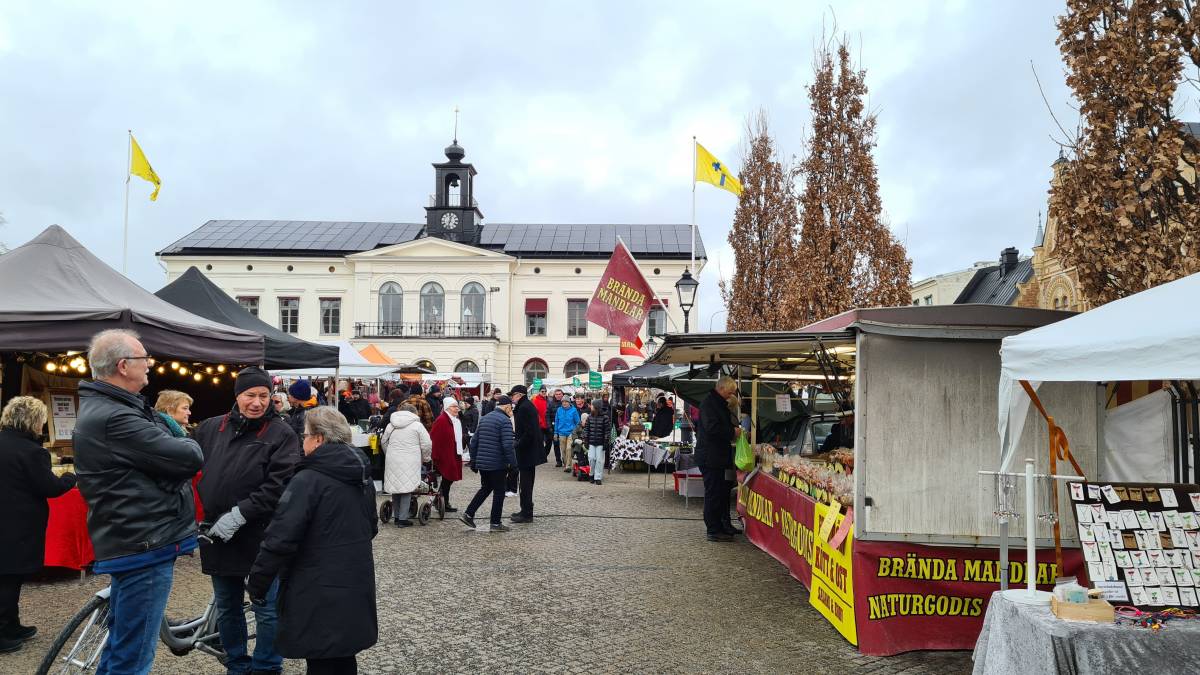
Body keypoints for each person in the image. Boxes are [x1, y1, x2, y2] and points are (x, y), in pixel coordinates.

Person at [74, 329, 204, 674]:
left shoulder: (112, 408)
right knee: (133, 655)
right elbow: (189, 457)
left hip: (135, 538)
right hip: (144, 542)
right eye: (144, 358)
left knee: (122, 645)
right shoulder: (117, 416)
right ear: (123, 365)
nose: (149, 364)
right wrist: (184, 442)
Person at [247, 407, 377, 675]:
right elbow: (371, 526)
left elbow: (280, 537)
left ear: (318, 439)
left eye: (304, 436)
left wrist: (258, 582)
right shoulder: (361, 476)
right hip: (354, 577)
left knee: (321, 656)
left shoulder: (308, 479)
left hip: (314, 582)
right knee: (342, 654)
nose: (301, 442)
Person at [193, 367, 300, 675]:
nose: (257, 402)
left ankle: (267, 666)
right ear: (237, 395)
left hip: (261, 534)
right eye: (250, 395)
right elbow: (189, 464)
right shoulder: (211, 428)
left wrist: (241, 513)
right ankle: (237, 663)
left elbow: (279, 485)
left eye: (264, 395)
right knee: (227, 606)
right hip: (218, 533)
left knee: (265, 607)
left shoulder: (281, 433)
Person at [0, 397, 76, 653]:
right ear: (33, 421)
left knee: (6, 575)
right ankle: (3, 629)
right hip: (18, 523)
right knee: (10, 577)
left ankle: (11, 624)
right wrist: (70, 477)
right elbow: (49, 487)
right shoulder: (33, 452)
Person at [695, 376, 741, 542]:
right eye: (730, 392)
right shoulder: (709, 404)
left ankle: (721, 526)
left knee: (720, 493)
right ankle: (713, 530)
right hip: (710, 457)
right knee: (713, 494)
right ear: (721, 389)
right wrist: (732, 432)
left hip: (718, 456)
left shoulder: (717, 403)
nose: (731, 395)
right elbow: (712, 428)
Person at [461, 395, 516, 532]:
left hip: (483, 462)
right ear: (507, 407)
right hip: (497, 463)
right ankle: (495, 523)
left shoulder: (485, 418)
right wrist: (513, 464)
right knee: (499, 492)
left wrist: (474, 460)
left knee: (485, 488)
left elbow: (474, 442)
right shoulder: (505, 421)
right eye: (511, 408)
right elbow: (507, 445)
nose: (511, 411)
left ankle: (468, 514)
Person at [382, 403, 431, 527]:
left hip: (393, 458)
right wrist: (426, 458)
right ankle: (403, 519)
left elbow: (383, 441)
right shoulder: (417, 425)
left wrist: (389, 453)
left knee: (396, 487)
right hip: (411, 459)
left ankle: (397, 516)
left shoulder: (390, 425)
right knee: (407, 488)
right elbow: (426, 444)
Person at [508, 385, 543, 524]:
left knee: (526, 484)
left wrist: (517, 443)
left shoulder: (524, 407)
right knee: (525, 483)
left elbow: (529, 432)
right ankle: (525, 510)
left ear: (519, 395)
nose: (512, 398)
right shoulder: (525, 406)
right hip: (528, 451)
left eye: (513, 395)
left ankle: (527, 513)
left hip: (527, 452)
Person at [430, 396, 464, 514]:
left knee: (449, 479)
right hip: (445, 454)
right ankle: (443, 502)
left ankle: (440, 501)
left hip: (453, 452)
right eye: (454, 407)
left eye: (457, 406)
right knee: (448, 478)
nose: (457, 409)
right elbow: (435, 439)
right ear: (447, 408)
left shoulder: (454, 420)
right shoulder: (441, 420)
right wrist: (435, 456)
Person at [583, 399, 609, 486]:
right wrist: (586, 440)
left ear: (596, 407)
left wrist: (606, 441)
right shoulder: (589, 417)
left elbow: (607, 431)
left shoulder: (605, 417)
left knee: (599, 460)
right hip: (591, 442)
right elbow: (586, 429)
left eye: (592, 405)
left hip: (601, 443)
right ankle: (591, 474)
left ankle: (598, 477)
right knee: (591, 458)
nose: (591, 407)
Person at [553, 396, 580, 473]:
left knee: (569, 448)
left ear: (569, 402)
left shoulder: (574, 410)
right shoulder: (559, 410)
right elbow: (556, 422)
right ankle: (565, 462)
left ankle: (568, 466)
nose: (564, 403)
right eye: (563, 402)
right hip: (561, 433)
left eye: (566, 402)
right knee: (563, 450)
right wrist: (555, 433)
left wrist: (575, 431)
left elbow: (578, 422)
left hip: (571, 433)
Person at [545, 389, 565, 467]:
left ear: (562, 394)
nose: (558, 395)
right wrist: (549, 426)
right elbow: (547, 416)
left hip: (564, 427)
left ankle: (565, 459)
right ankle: (558, 461)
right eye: (557, 394)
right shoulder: (551, 403)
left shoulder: (566, 403)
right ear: (554, 395)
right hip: (554, 427)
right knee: (556, 445)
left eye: (560, 394)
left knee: (564, 445)